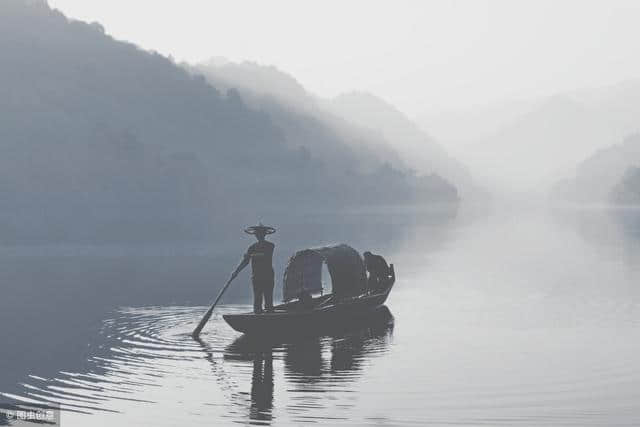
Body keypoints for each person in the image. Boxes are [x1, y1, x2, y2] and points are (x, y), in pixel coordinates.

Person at [230, 223, 276, 313]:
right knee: (257, 298)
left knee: (268, 297)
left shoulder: (270, 245)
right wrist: (236, 271)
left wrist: (251, 255)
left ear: (264, 234)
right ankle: (258, 314)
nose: (259, 235)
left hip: (268, 276)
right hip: (256, 277)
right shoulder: (252, 247)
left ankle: (270, 313)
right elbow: (245, 261)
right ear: (255, 235)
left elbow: (265, 255)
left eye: (261, 233)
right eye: (257, 234)